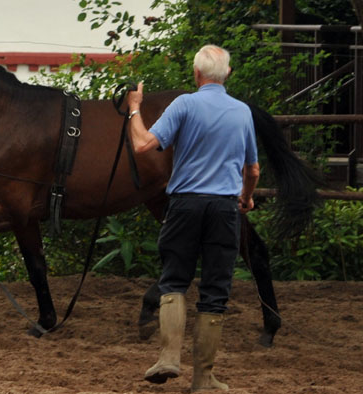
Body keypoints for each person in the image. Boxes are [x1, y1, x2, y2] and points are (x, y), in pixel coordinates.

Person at [127, 44, 260, 392]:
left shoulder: (185, 103)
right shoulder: (242, 112)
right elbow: (254, 169)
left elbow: (142, 144)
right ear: (227, 74)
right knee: (215, 292)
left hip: (186, 205)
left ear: (196, 74)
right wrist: (245, 198)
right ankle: (203, 379)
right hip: (225, 209)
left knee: (174, 280)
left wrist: (134, 110)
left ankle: (170, 356)